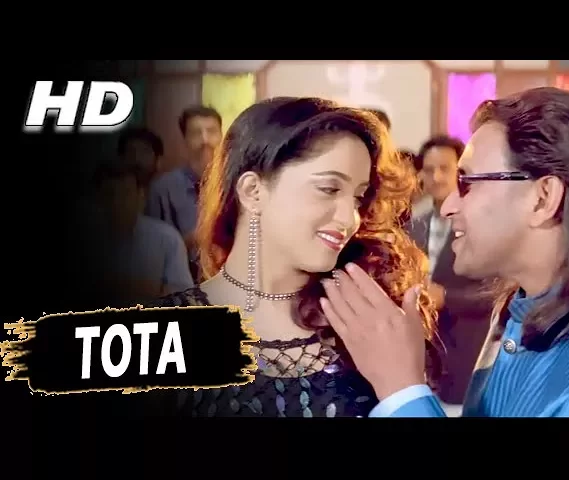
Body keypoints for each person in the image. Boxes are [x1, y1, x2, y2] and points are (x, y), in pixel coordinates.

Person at [320, 87, 569, 417]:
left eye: (467, 183)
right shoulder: (521, 307)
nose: (449, 206)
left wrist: (402, 388)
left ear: (543, 198)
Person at [140, 96, 441, 417]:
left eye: (358, 198)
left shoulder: (369, 326)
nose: (349, 218)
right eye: (329, 189)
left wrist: (405, 385)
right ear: (252, 191)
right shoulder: (161, 333)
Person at [408, 135, 494, 406]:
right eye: (429, 169)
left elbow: (497, 293)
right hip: (422, 359)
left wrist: (446, 297)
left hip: (465, 353)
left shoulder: (483, 227)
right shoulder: (413, 226)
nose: (436, 177)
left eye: (445, 168)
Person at [92, 162, 194, 305]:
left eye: (125, 194)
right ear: (97, 200)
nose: (117, 202)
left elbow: (185, 297)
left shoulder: (167, 240)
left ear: (141, 196)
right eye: (109, 194)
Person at [145, 105, 223, 282]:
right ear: (184, 141)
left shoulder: (238, 184)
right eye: (196, 133)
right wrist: (191, 239)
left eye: (211, 132)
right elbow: (151, 252)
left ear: (221, 137)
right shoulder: (162, 189)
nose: (205, 140)